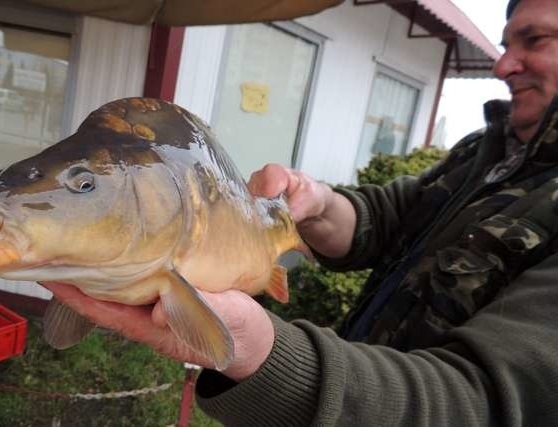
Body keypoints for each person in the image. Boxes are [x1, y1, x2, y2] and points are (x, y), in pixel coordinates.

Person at [43, 0, 558, 424]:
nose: (502, 64)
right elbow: (391, 218)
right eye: (508, 41)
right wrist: (317, 203)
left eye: (534, 40)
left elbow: (485, 404)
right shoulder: (486, 151)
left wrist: (265, 352)